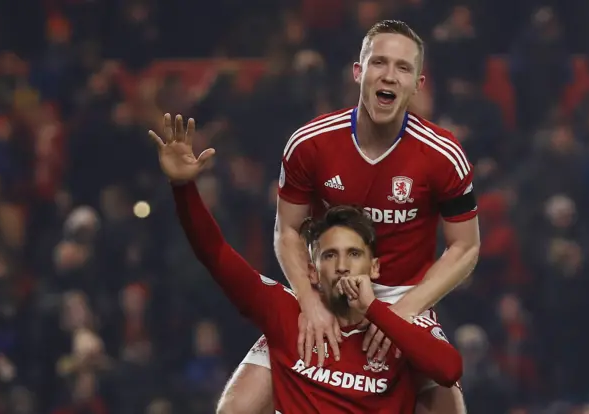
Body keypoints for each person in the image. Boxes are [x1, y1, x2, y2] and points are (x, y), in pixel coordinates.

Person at [221, 20, 480, 414]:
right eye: (378, 62)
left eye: (403, 67)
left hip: (402, 295)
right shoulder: (310, 143)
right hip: (328, 288)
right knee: (234, 408)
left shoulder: (443, 154)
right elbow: (287, 230)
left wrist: (405, 310)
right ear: (358, 71)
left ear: (418, 83)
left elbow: (465, 246)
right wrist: (309, 301)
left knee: (451, 407)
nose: (388, 75)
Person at [147, 113, 463, 413]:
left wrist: (373, 311)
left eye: (354, 254)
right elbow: (214, 253)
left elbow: (449, 370)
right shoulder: (286, 311)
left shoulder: (400, 325)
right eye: (329, 255)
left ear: (375, 267)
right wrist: (183, 188)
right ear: (312, 270)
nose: (342, 265)